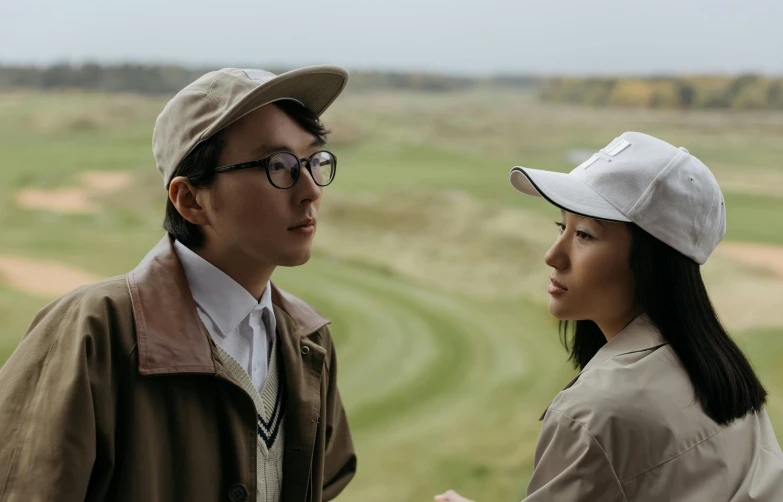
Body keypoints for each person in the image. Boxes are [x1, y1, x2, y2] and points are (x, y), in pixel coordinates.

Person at [0, 67, 357, 502]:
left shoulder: (308, 339)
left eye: (313, 160)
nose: (310, 191)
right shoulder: (93, 333)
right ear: (190, 199)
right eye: (277, 166)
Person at [436, 132, 783, 501]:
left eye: (585, 235)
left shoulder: (595, 412)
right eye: (562, 227)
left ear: (651, 262)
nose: (553, 255)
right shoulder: (721, 370)